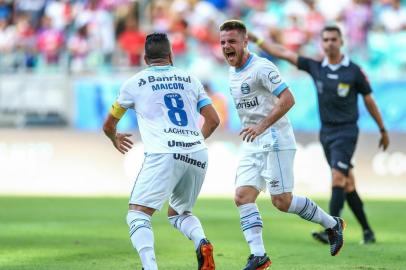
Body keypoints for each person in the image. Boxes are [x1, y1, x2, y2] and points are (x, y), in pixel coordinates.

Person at [219, 20, 345, 270]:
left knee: (281, 201)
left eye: (232, 41)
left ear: (245, 42)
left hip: (275, 139)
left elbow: (288, 99)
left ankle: (333, 224)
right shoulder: (233, 71)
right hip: (252, 142)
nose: (226, 47)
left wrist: (262, 126)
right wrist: (255, 129)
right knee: (242, 196)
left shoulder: (262, 68)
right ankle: (259, 256)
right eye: (222, 42)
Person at [248, 25, 389, 245]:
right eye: (325, 40)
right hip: (326, 133)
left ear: (341, 41)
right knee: (348, 184)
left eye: (334, 39)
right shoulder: (315, 67)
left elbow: (369, 100)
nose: (329, 43)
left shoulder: (354, 71)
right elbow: (283, 53)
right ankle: (368, 232)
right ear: (321, 43)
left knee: (337, 177)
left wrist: (382, 129)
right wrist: (258, 40)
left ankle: (330, 229)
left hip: (347, 131)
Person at [103, 33, 219, 270]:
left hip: (163, 153)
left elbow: (108, 124)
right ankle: (202, 241)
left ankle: (150, 267)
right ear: (171, 55)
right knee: (179, 213)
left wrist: (113, 137)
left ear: (146, 58)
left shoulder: (134, 83)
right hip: (197, 152)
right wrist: (192, 142)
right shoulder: (190, 79)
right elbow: (213, 120)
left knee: (137, 214)